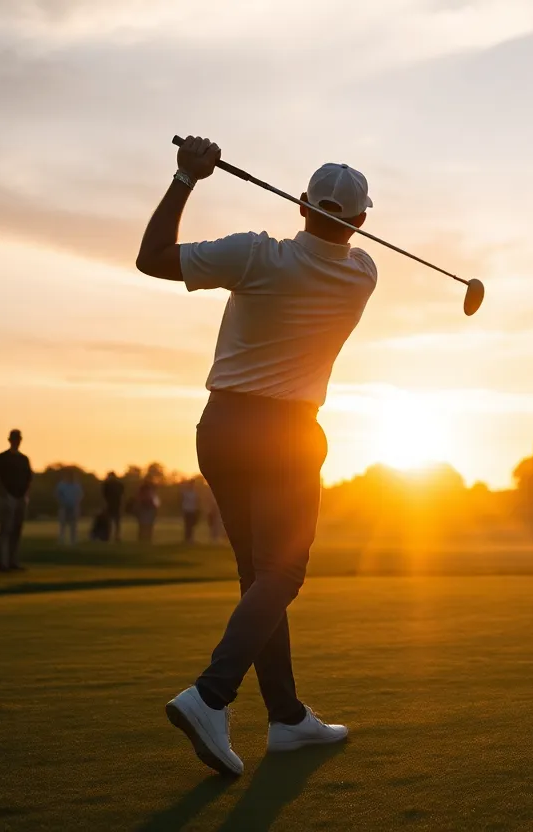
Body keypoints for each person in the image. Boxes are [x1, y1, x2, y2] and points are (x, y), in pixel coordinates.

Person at [136, 135, 370, 774]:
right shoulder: (362, 273)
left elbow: (151, 258)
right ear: (361, 221)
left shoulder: (252, 255)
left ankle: (287, 716)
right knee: (282, 574)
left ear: (300, 206)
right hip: (289, 432)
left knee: (259, 577)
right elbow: (335, 244)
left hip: (221, 427)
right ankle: (211, 696)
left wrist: (188, 177)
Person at [0, 429, 32, 573]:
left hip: (20, 498)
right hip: (7, 498)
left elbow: (28, 479)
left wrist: (25, 496)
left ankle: (13, 561)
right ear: (10, 440)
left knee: (16, 530)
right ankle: (2, 563)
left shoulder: (24, 459)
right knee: (5, 530)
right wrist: (4, 495)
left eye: (18, 439)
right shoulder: (1, 458)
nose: (16, 441)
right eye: (14, 439)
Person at [55, 470, 85, 546]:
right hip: (64, 506)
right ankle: (62, 540)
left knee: (73, 524)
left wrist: (76, 502)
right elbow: (58, 494)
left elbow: (80, 495)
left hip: (74, 506)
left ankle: (73, 540)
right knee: (63, 524)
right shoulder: (62, 485)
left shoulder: (76, 486)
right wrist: (61, 502)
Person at [135, 477, 160, 543]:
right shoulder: (144, 489)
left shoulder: (150, 489)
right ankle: (143, 538)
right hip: (144, 507)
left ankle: (147, 538)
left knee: (148, 524)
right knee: (144, 524)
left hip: (149, 508)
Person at [102, 472, 125, 543]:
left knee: (115, 521)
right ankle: (112, 536)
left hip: (114, 504)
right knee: (112, 521)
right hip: (112, 504)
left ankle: (115, 536)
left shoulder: (107, 484)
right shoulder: (116, 484)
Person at [181, 479, 201, 543]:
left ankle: (191, 538)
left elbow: (197, 502)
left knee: (192, 525)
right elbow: (182, 501)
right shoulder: (185, 492)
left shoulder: (195, 493)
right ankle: (187, 538)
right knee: (187, 525)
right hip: (187, 510)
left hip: (193, 510)